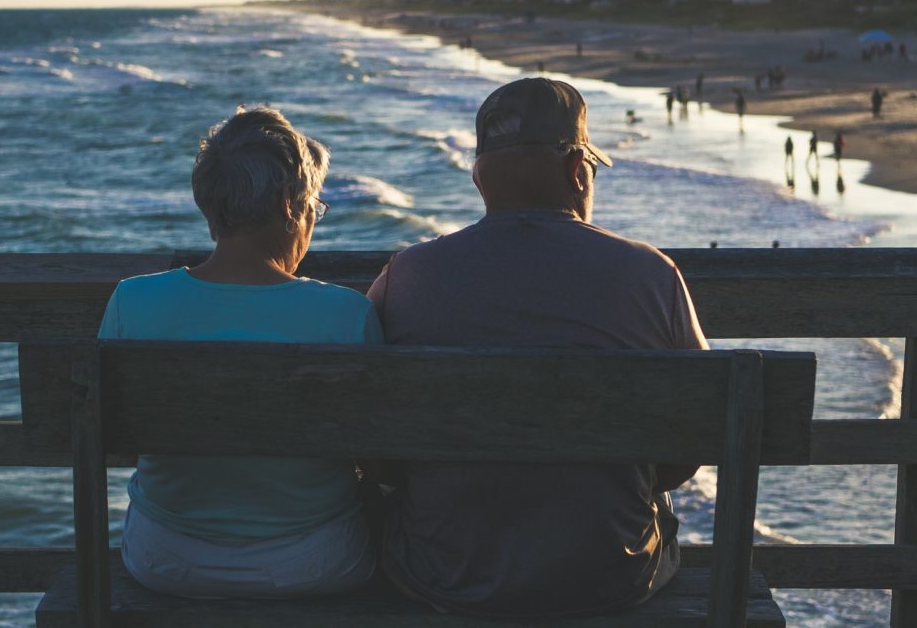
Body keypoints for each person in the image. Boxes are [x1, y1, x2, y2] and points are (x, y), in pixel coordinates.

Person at [367, 78, 707, 619]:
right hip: (611, 577)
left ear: (479, 178)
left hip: (444, 575)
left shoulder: (405, 276)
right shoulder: (651, 275)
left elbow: (373, 444)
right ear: (577, 172)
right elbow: (696, 433)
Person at [98, 107, 381, 599]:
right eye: (315, 205)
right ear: (291, 204)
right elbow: (381, 456)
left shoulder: (131, 301)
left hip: (165, 559)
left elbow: (111, 437)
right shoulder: (346, 314)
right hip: (315, 563)